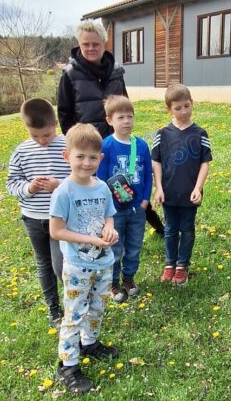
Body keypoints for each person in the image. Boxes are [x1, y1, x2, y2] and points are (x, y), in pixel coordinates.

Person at [57, 19, 164, 236]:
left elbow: (124, 102)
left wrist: (123, 129)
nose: (91, 48)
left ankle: (158, 227)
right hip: (90, 146)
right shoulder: (70, 74)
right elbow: (64, 113)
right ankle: (100, 232)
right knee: (97, 190)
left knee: (128, 184)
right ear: (79, 44)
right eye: (86, 44)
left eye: (95, 44)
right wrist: (77, 142)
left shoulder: (116, 71)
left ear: (104, 43)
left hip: (117, 141)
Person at [50, 124, 119, 394]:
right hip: (78, 265)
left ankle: (89, 343)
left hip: (103, 262)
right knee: (75, 313)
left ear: (100, 158)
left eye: (92, 157)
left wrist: (110, 229)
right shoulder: (64, 192)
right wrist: (91, 240)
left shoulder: (102, 187)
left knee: (98, 306)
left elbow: (108, 216)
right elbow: (56, 231)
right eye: (80, 156)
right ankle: (68, 365)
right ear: (67, 156)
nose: (86, 162)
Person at [6, 98, 70, 325]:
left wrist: (59, 185)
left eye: (47, 135)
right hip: (33, 218)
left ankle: (73, 301)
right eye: (35, 136)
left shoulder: (68, 145)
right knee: (43, 263)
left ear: (55, 124)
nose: (42, 141)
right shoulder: (22, 151)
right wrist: (29, 188)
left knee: (61, 265)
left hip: (60, 219)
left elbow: (82, 178)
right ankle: (54, 309)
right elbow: (12, 183)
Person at [152, 84, 212, 286]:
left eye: (187, 106)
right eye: (178, 108)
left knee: (187, 229)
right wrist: (159, 188)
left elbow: (205, 163)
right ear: (169, 109)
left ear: (192, 103)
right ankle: (170, 263)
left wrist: (197, 188)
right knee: (170, 229)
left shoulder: (200, 133)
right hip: (168, 193)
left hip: (190, 193)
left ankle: (182, 265)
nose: (184, 111)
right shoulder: (162, 134)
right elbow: (156, 161)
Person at [97, 95, 152, 303]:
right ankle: (113, 282)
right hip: (114, 211)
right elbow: (100, 178)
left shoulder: (142, 145)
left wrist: (145, 199)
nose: (126, 121)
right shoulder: (106, 146)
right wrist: (107, 206)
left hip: (137, 208)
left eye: (130, 116)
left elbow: (148, 175)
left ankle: (128, 278)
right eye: (121, 117)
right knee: (115, 247)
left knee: (134, 245)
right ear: (109, 120)